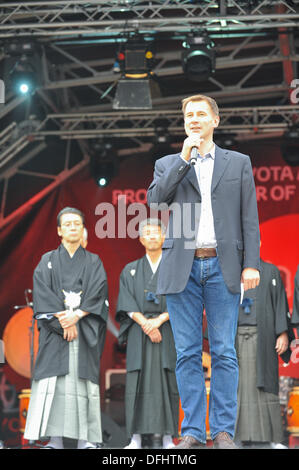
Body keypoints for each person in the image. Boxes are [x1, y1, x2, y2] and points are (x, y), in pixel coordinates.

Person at [147, 94, 260, 449]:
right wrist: (184, 157)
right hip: (183, 265)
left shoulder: (238, 162)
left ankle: (223, 430)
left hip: (223, 264)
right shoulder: (168, 162)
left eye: (200, 114)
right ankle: (193, 430)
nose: (194, 119)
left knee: (225, 351)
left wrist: (251, 263)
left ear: (215, 120)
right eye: (188, 115)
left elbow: (249, 218)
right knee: (187, 353)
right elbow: (155, 201)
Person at [24, 207, 108, 449]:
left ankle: (85, 441)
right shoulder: (47, 261)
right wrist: (62, 323)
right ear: (59, 230)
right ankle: (56, 440)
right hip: (56, 333)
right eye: (68, 224)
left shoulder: (93, 261)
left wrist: (78, 316)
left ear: (83, 229)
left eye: (77, 224)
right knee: (55, 386)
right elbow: (42, 294)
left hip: (84, 332)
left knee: (82, 386)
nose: (73, 227)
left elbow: (99, 292)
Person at [116, 218, 179, 449]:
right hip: (138, 332)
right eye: (148, 234)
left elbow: (183, 299)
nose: (152, 237)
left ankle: (167, 438)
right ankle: (135, 438)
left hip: (167, 330)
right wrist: (146, 324)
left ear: (164, 238)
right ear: (141, 239)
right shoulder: (130, 270)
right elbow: (125, 301)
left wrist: (160, 320)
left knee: (167, 381)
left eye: (156, 233)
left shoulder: (174, 268)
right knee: (137, 382)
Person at [235, 257, 294, 448]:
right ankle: (232, 439)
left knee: (264, 385)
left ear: (257, 242)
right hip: (234, 337)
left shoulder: (270, 271)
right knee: (235, 387)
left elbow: (279, 303)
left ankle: (272, 439)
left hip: (264, 337)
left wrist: (283, 333)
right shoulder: (228, 271)